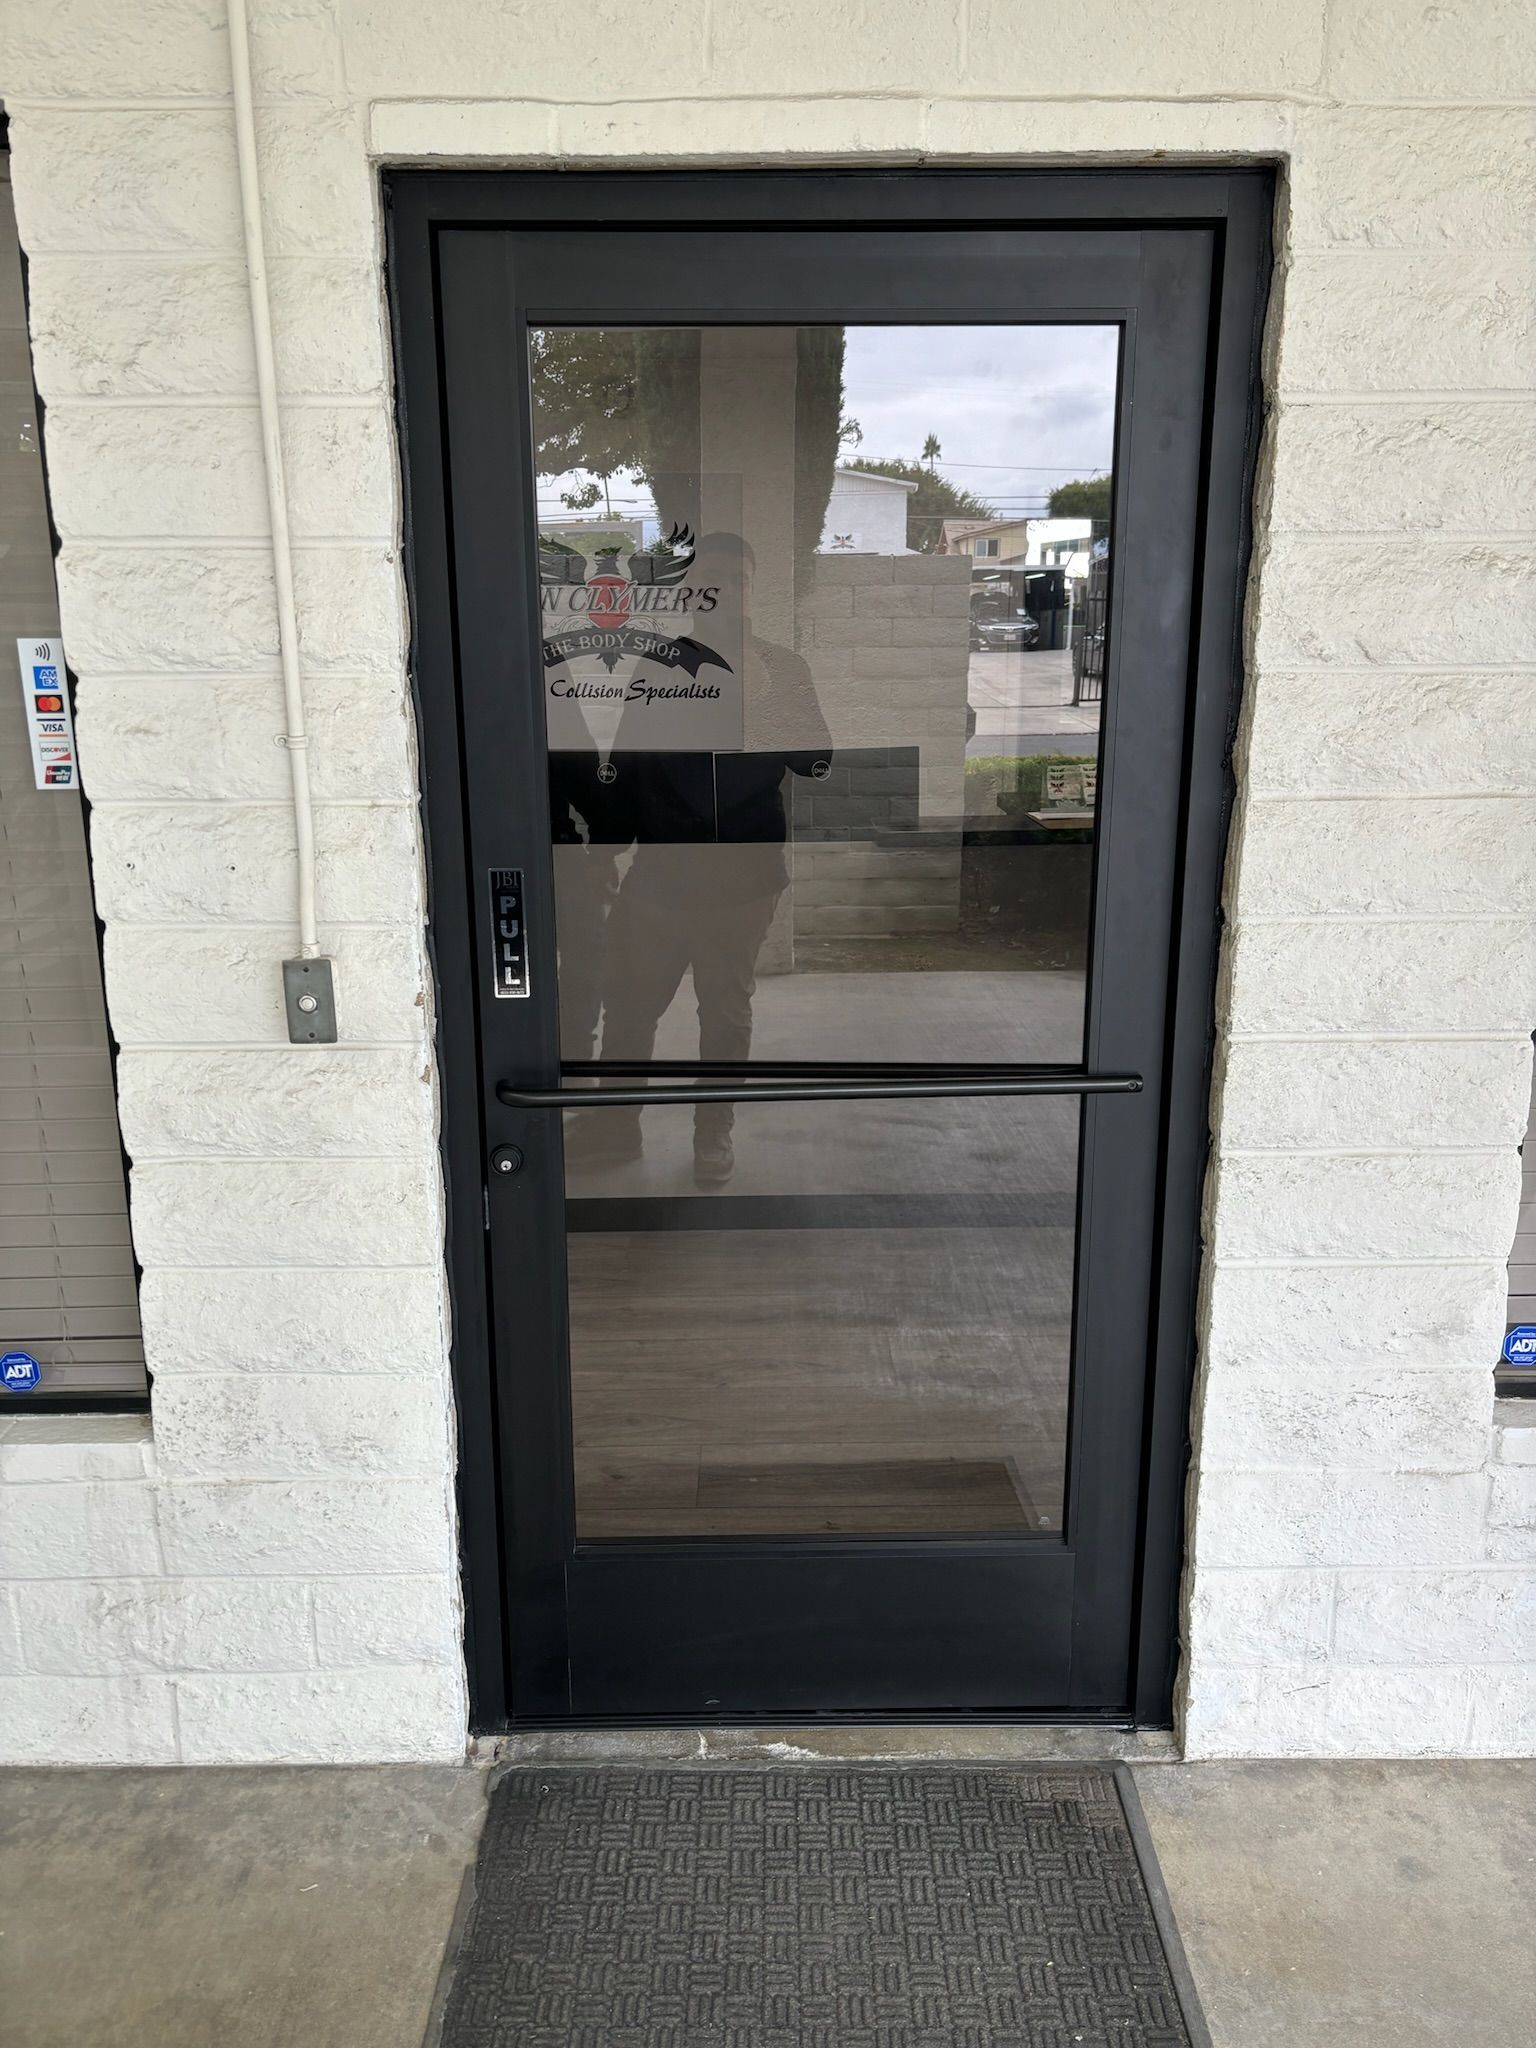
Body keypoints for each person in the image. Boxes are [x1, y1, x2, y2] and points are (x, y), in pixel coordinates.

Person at [562, 532, 830, 1184]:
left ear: (751, 589)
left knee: (725, 1014)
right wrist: (605, 845)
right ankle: (617, 1125)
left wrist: (754, 697)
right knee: (629, 1005)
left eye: (736, 581)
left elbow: (815, 757)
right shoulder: (657, 669)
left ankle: (714, 1134)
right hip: (660, 874)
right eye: (710, 581)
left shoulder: (780, 669)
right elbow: (627, 767)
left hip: (742, 880)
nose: (723, 593)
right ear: (689, 591)